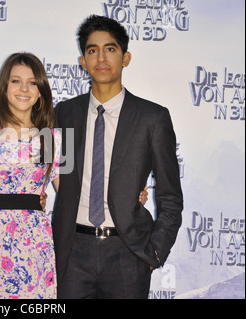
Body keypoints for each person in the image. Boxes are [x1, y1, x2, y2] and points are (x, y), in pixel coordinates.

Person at [52, 15, 183, 299]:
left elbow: (171, 198)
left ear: (125, 58)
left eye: (110, 49)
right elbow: (58, 172)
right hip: (72, 252)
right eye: (92, 50)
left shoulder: (152, 117)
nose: (101, 57)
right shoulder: (64, 113)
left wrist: (154, 253)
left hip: (127, 252)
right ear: (83, 61)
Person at [0, 53, 61, 299]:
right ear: (4, 87)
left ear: (40, 92)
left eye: (32, 82)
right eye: (16, 81)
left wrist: (125, 196)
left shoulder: (51, 139)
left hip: (36, 247)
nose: (24, 88)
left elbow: (74, 198)